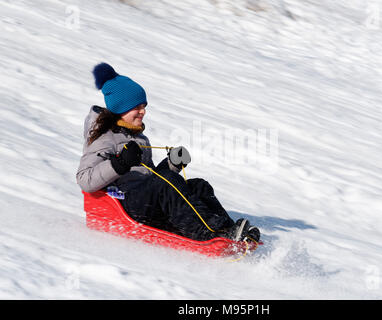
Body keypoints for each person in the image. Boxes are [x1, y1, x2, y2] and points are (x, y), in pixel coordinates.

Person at [76, 63, 260, 243]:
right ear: (120, 109)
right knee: (166, 185)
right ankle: (208, 236)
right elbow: (85, 180)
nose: (143, 112)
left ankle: (228, 230)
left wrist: (172, 164)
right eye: (137, 107)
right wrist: (119, 164)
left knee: (198, 186)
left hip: (144, 200)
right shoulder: (104, 139)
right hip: (126, 203)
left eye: (143, 106)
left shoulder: (137, 137)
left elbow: (151, 177)